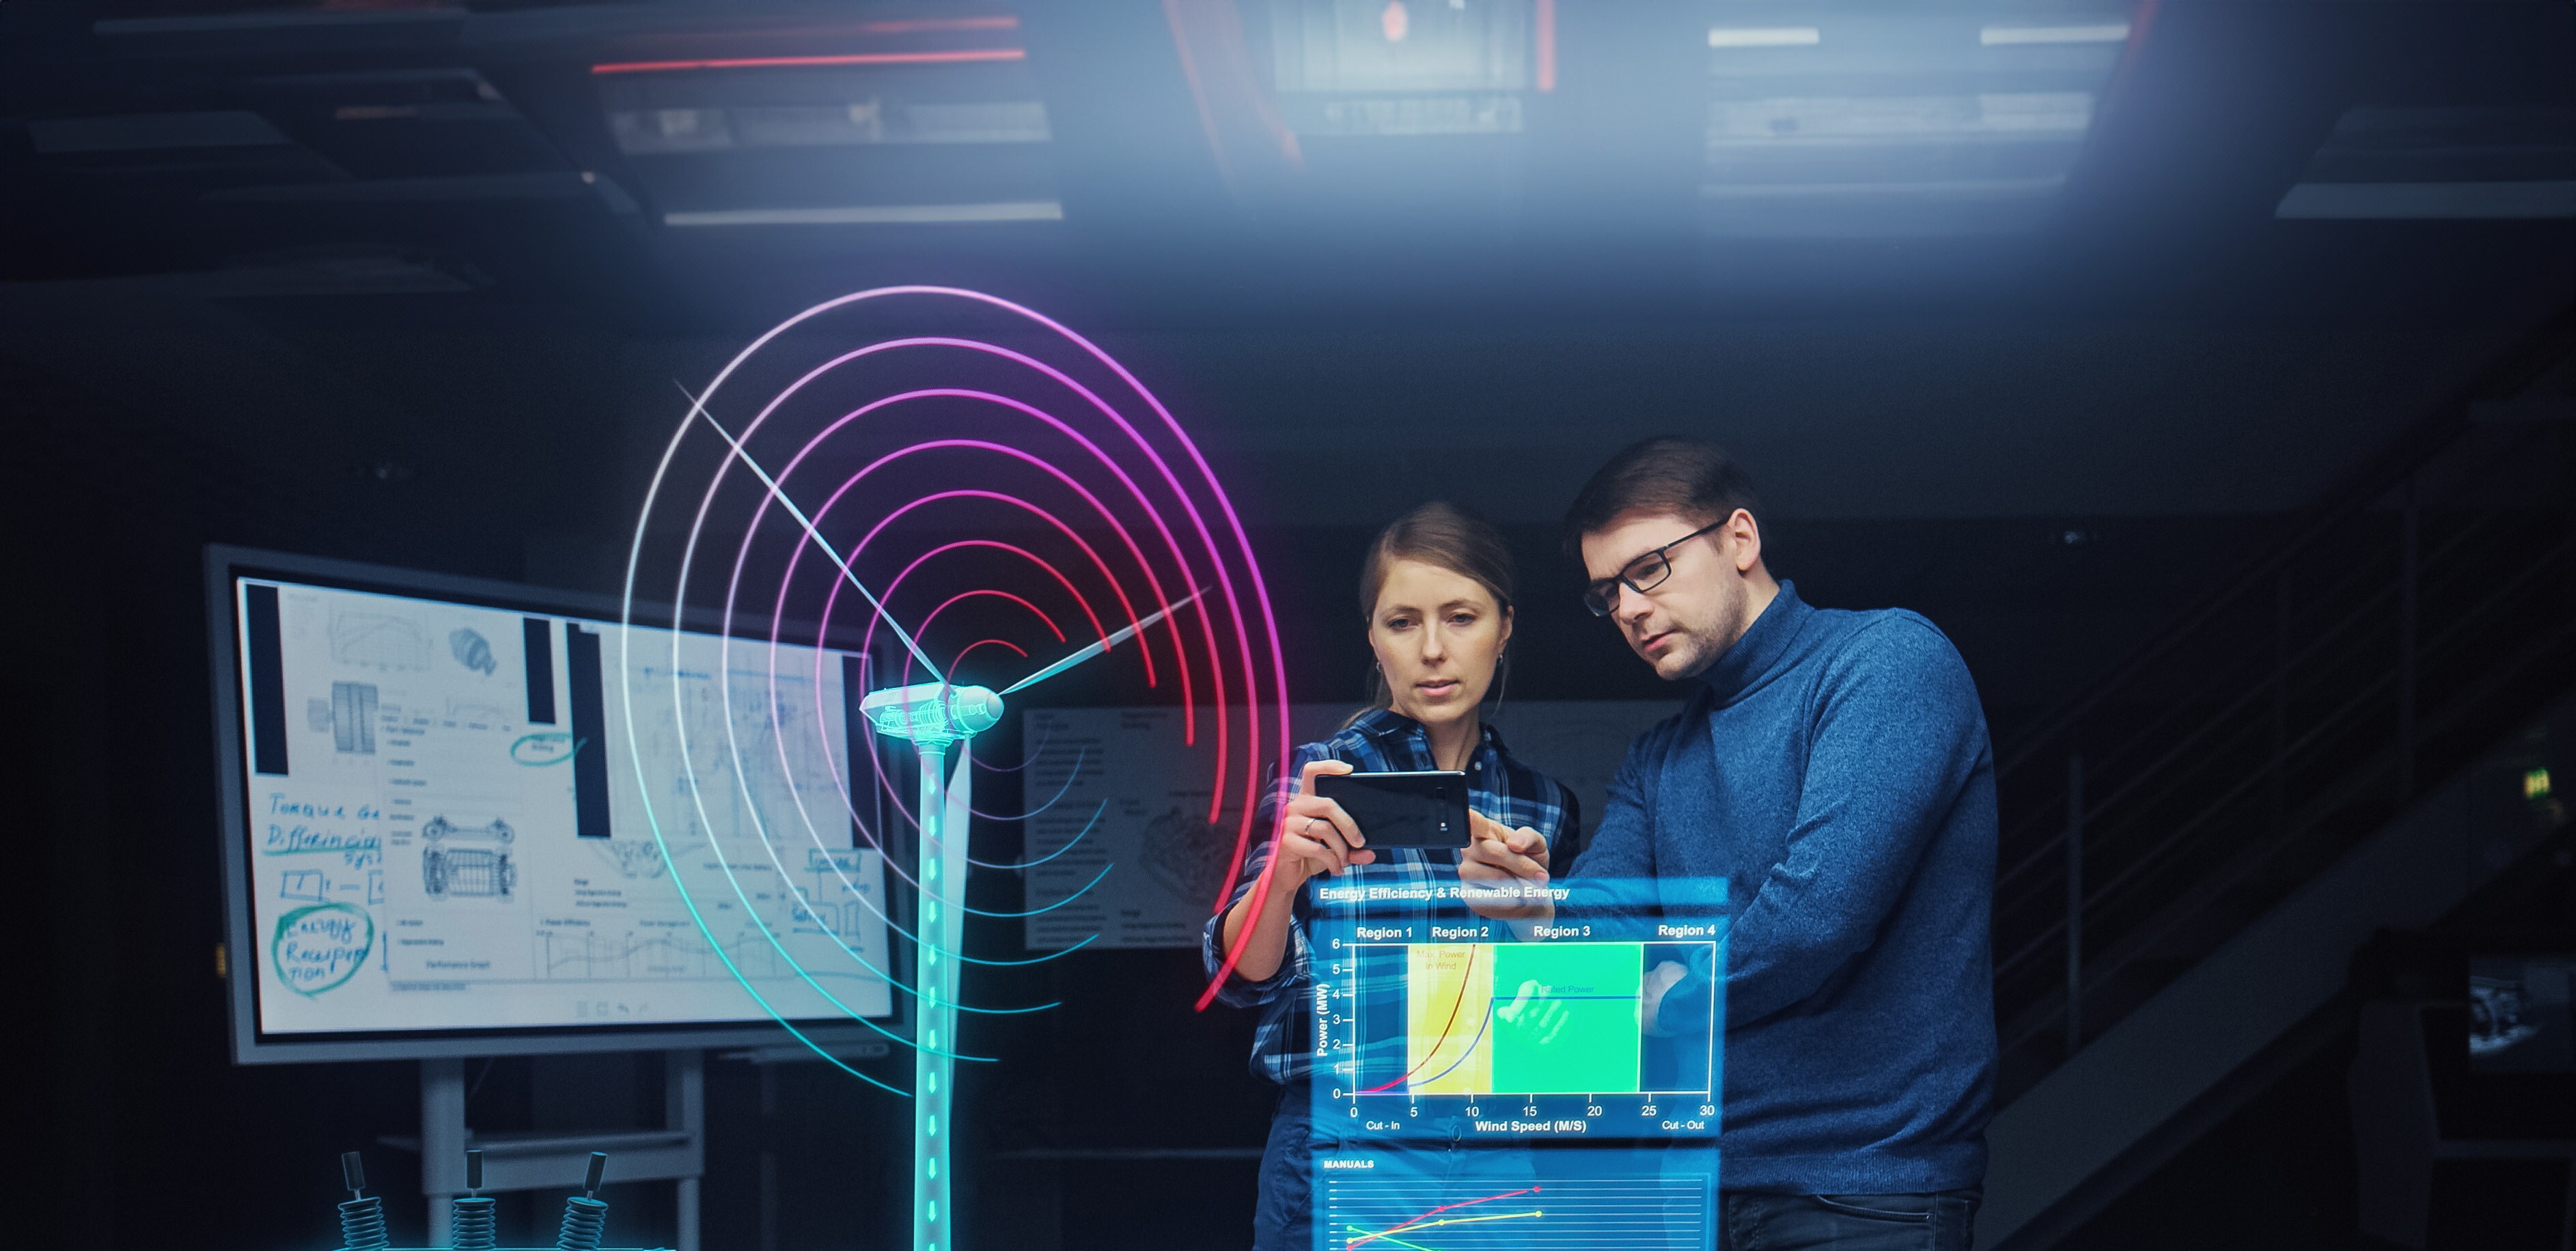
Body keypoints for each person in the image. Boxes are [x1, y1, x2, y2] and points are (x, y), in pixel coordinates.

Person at [1564, 437, 1998, 1249]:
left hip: (1864, 1191)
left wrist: (1643, 992)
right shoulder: (1658, 757)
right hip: (1691, 1188)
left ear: (1740, 539)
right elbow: (1598, 930)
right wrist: (1533, 910)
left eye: (1647, 568)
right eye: (1605, 593)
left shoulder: (1887, 662)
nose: (1626, 607)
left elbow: (1811, 924)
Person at [1200, 501, 1573, 1251]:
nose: (1433, 648)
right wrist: (1280, 879)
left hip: (1498, 1135)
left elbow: (1561, 1009)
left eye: (1460, 617)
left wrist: (1538, 927)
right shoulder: (1320, 774)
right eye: (1403, 622)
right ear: (1373, 638)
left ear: (1505, 626)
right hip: (1343, 1134)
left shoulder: (1543, 804)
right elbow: (1238, 977)